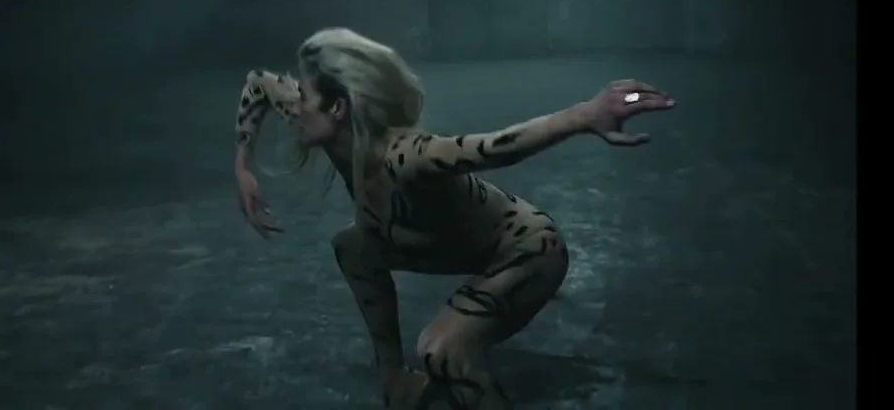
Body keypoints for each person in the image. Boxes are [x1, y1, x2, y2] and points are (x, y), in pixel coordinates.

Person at [232, 28, 675, 409]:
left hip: (528, 250)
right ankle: (396, 382)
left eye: (304, 96)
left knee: (442, 349)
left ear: (338, 109)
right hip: (454, 244)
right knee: (352, 246)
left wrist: (584, 115)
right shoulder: (325, 122)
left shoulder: (404, 155)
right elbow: (258, 85)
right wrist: (243, 166)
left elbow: (498, 146)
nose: (294, 105)